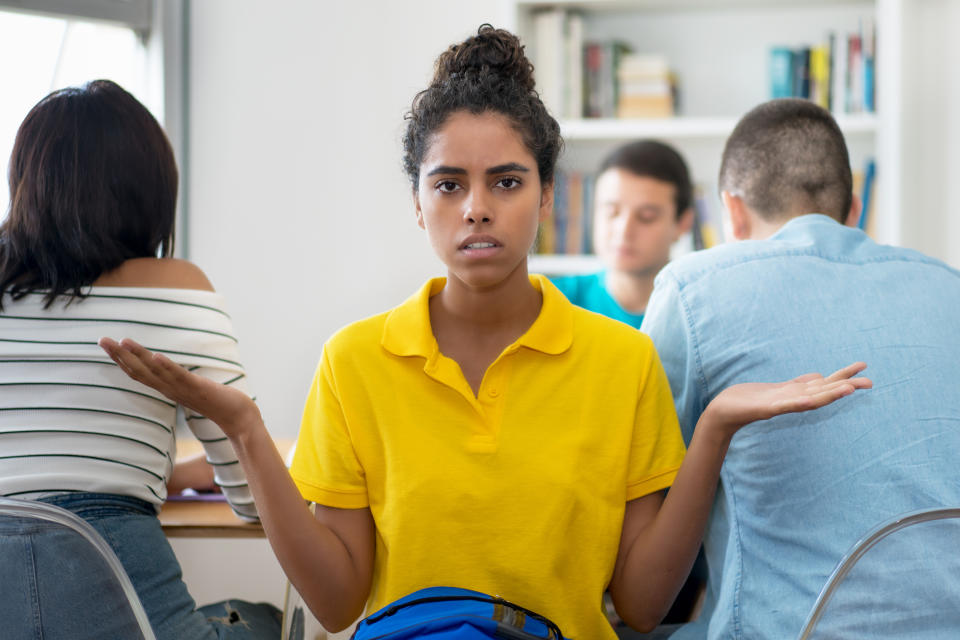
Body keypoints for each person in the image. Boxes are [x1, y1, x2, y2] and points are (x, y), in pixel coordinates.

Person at [100, 29, 869, 640]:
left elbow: (638, 606)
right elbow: (336, 604)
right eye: (449, 184)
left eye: (506, 181)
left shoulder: (621, 360)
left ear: (542, 198)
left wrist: (715, 430)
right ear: (417, 202)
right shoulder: (355, 360)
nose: (476, 208)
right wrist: (242, 428)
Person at [641, 98, 960, 638]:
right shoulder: (949, 288)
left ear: (732, 211)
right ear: (854, 211)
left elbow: (642, 489)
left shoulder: (693, 288)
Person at [0, 80, 282, 639]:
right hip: (136, 623)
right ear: (148, 189)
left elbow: (34, 488)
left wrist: (161, 474)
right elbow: (255, 504)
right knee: (266, 620)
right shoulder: (177, 293)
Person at [551, 140, 693, 328]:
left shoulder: (699, 313)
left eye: (646, 217)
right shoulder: (552, 302)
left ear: (683, 223)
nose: (624, 231)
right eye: (612, 212)